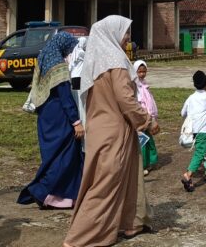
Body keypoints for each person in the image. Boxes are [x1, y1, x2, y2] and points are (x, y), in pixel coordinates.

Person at [64, 15, 153, 247]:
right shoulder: (116, 62)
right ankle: (79, 238)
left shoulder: (96, 62)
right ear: (112, 34)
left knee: (127, 176)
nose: (128, 39)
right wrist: (147, 121)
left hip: (99, 129)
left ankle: (129, 223)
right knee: (105, 184)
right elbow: (126, 100)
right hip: (115, 131)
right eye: (125, 33)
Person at [18, 32, 84, 208]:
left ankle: (60, 198)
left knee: (53, 156)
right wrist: (76, 122)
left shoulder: (44, 57)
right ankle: (43, 192)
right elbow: (64, 96)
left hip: (46, 117)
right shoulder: (59, 65)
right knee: (65, 156)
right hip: (59, 117)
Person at [181, 70, 206, 192]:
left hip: (192, 129)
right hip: (202, 130)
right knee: (199, 152)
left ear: (194, 84)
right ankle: (188, 174)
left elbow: (182, 113)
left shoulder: (190, 98)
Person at [133, 60, 159, 174]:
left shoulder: (144, 84)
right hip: (141, 117)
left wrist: (153, 116)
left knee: (149, 140)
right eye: (139, 72)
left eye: (144, 71)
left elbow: (150, 101)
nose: (142, 74)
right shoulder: (134, 86)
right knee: (142, 142)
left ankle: (151, 161)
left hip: (149, 116)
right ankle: (142, 165)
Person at [66, 36, 88, 128]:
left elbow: (70, 66)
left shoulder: (74, 52)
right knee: (80, 97)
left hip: (74, 76)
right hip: (79, 77)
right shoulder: (81, 52)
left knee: (76, 96)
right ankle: (82, 116)